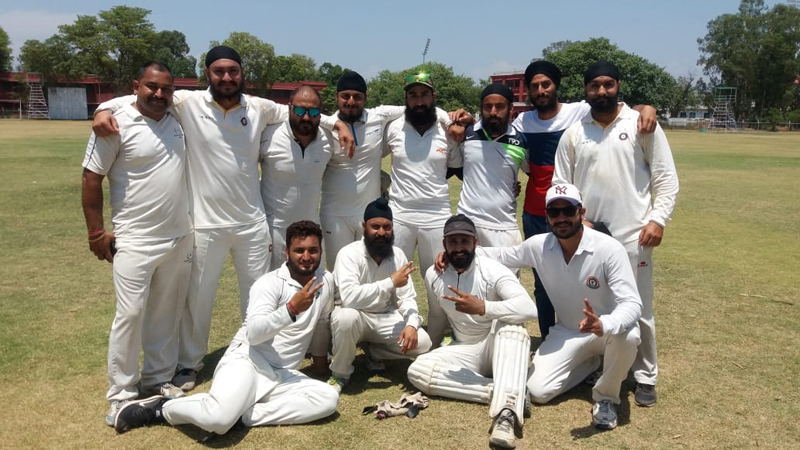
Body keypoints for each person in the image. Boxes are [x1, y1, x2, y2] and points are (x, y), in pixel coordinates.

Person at [91, 46, 354, 393]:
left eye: (233, 71)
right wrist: (102, 108)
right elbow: (140, 96)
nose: (227, 77)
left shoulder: (258, 107)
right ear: (207, 74)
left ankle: (256, 357)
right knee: (198, 301)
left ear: (241, 74)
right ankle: (189, 364)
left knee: (258, 298)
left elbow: (304, 110)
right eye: (219, 71)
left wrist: (337, 122)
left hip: (251, 223)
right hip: (204, 223)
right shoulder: (185, 102)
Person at [113, 221, 338, 436]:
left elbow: (320, 324)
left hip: (282, 374)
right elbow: (255, 333)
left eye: (313, 250)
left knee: (327, 398)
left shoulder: (325, 280)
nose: (307, 257)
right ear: (287, 252)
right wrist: (290, 309)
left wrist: (320, 364)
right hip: (248, 361)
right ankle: (162, 409)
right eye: (299, 250)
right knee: (218, 421)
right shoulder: (269, 284)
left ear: (320, 250)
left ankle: (243, 417)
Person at [553, 60, 679, 407]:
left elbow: (666, 179)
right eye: (594, 86)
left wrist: (657, 220)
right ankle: (604, 367)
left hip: (633, 235)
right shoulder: (575, 132)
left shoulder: (641, 124)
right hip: (589, 236)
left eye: (608, 85)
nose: (602, 92)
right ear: (586, 90)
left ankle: (645, 376)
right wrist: (579, 223)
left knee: (638, 307)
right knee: (598, 305)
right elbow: (561, 185)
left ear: (619, 85)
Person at [512, 60, 657, 340]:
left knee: (582, 280)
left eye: (546, 84)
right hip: (535, 212)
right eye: (534, 86)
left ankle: (584, 338)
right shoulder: (523, 121)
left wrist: (647, 108)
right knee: (543, 282)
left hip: (571, 215)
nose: (541, 90)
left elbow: (623, 108)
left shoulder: (578, 111)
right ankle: (548, 337)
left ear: (556, 86)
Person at [478, 183, 643, 430]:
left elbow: (632, 303)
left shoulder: (608, 248)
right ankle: (590, 363)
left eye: (568, 210)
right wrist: (458, 251)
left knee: (629, 335)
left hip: (607, 331)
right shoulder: (539, 246)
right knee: (537, 391)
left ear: (581, 212)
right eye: (554, 212)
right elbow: (503, 255)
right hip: (567, 331)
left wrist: (604, 323)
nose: (561, 218)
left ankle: (606, 398)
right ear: (547, 216)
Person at [81, 62, 193, 426]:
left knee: (165, 312)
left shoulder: (175, 117)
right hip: (134, 238)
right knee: (130, 316)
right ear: (135, 87)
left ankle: (158, 378)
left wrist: (103, 106)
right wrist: (96, 233)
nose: (158, 94)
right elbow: (91, 177)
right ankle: (121, 394)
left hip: (177, 236)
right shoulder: (115, 123)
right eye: (151, 87)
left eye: (165, 88)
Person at [407, 214, 536, 449]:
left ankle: (506, 414)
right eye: (453, 241)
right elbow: (436, 316)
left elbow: (528, 308)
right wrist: (433, 351)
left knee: (512, 326)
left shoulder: (493, 270)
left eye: (464, 241)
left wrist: (483, 307)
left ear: (475, 242)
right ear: (444, 244)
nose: (459, 248)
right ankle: (502, 391)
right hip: (464, 350)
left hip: (496, 344)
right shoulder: (433, 274)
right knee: (417, 370)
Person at [320, 71, 456, 270]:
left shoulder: (378, 116)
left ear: (365, 98)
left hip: (370, 215)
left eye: (357, 97)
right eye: (345, 96)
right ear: (336, 97)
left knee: (371, 271)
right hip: (334, 214)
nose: (351, 101)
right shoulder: (325, 127)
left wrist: (450, 120)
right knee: (338, 272)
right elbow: (302, 111)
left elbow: (417, 107)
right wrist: (337, 124)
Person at [383, 73, 459, 347]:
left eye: (424, 94)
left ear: (433, 97)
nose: (418, 101)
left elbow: (457, 167)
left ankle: (440, 337)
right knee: (394, 279)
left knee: (437, 279)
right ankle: (389, 338)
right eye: (413, 95)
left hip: (436, 214)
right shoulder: (393, 127)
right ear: (405, 98)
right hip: (399, 214)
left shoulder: (446, 130)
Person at [327, 197, 433, 392]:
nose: (381, 233)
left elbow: (406, 297)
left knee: (423, 342)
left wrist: (410, 324)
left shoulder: (398, 254)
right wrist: (390, 282)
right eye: (375, 226)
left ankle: (375, 351)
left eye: (387, 227)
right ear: (364, 226)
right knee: (345, 317)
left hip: (385, 318)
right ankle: (340, 374)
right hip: (356, 317)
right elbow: (350, 298)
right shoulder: (349, 254)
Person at [261, 85, 333, 269]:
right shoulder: (268, 135)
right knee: (276, 290)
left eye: (313, 111)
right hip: (274, 231)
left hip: (312, 231)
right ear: (289, 108)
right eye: (300, 110)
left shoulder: (328, 140)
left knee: (313, 290)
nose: (306, 117)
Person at [449, 83, 526, 254]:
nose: (493, 112)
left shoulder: (521, 141)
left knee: (505, 279)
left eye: (499, 106)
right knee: (465, 278)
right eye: (487, 106)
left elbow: (533, 174)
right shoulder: (466, 134)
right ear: (480, 108)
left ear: (511, 108)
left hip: (504, 227)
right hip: (468, 222)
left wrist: (512, 186)